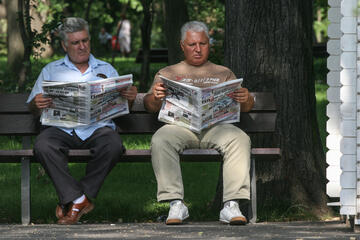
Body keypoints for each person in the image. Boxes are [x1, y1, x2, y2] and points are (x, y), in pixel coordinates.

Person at [27, 17, 137, 225]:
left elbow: (123, 111)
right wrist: (36, 103)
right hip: (62, 129)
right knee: (43, 145)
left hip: (97, 128)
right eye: (76, 43)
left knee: (113, 144)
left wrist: (129, 100)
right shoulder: (51, 70)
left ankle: (73, 200)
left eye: (85, 40)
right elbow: (32, 108)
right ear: (64, 45)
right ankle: (78, 199)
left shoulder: (106, 68)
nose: (82, 46)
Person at [143, 21, 255, 225]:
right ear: (182, 45)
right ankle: (176, 203)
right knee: (161, 138)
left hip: (216, 128)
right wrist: (156, 97)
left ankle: (231, 205)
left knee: (240, 138)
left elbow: (246, 107)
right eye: (192, 44)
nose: (197, 49)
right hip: (180, 128)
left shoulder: (223, 72)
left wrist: (245, 98)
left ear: (208, 45)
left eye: (202, 44)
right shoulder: (167, 73)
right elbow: (149, 105)